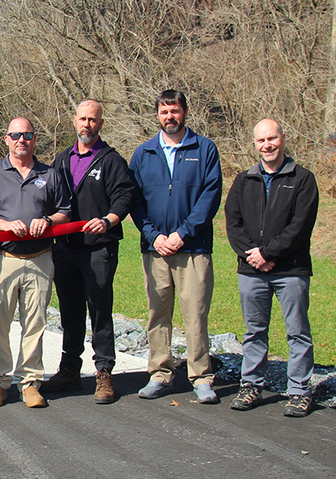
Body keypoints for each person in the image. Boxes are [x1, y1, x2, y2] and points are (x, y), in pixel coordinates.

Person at [129, 90, 222, 404]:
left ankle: (201, 377)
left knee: (195, 314)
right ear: (157, 115)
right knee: (158, 314)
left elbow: (209, 198)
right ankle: (160, 373)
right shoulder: (144, 154)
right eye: (164, 111)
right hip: (155, 250)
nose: (170, 116)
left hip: (192, 249)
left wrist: (182, 234)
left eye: (175, 111)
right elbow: (135, 203)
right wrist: (154, 236)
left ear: (185, 112)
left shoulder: (204, 149)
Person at [225, 119, 319, 417]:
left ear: (282, 138)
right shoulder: (244, 180)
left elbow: (300, 227)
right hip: (251, 270)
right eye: (261, 140)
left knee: (297, 332)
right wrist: (253, 255)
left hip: (291, 269)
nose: (267, 145)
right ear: (254, 144)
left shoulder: (303, 179)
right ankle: (251, 384)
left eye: (272, 139)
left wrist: (268, 253)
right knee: (254, 332)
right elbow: (233, 223)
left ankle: (300, 391)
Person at [41, 100, 133, 404]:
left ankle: (104, 371)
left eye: (93, 120)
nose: (87, 125)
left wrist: (108, 221)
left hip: (98, 249)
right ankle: (69, 368)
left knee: (99, 309)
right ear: (74, 120)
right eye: (82, 119)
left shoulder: (111, 160)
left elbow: (125, 196)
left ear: (101, 124)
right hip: (65, 248)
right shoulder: (62, 159)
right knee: (70, 311)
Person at [0, 117, 71, 409]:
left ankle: (30, 383)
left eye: (27, 135)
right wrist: (4, 224)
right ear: (6, 139)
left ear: (34, 139)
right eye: (16, 135)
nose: (22, 140)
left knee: (35, 323)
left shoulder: (50, 174)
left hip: (40, 259)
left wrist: (46, 220)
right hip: (3, 258)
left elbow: (65, 211)